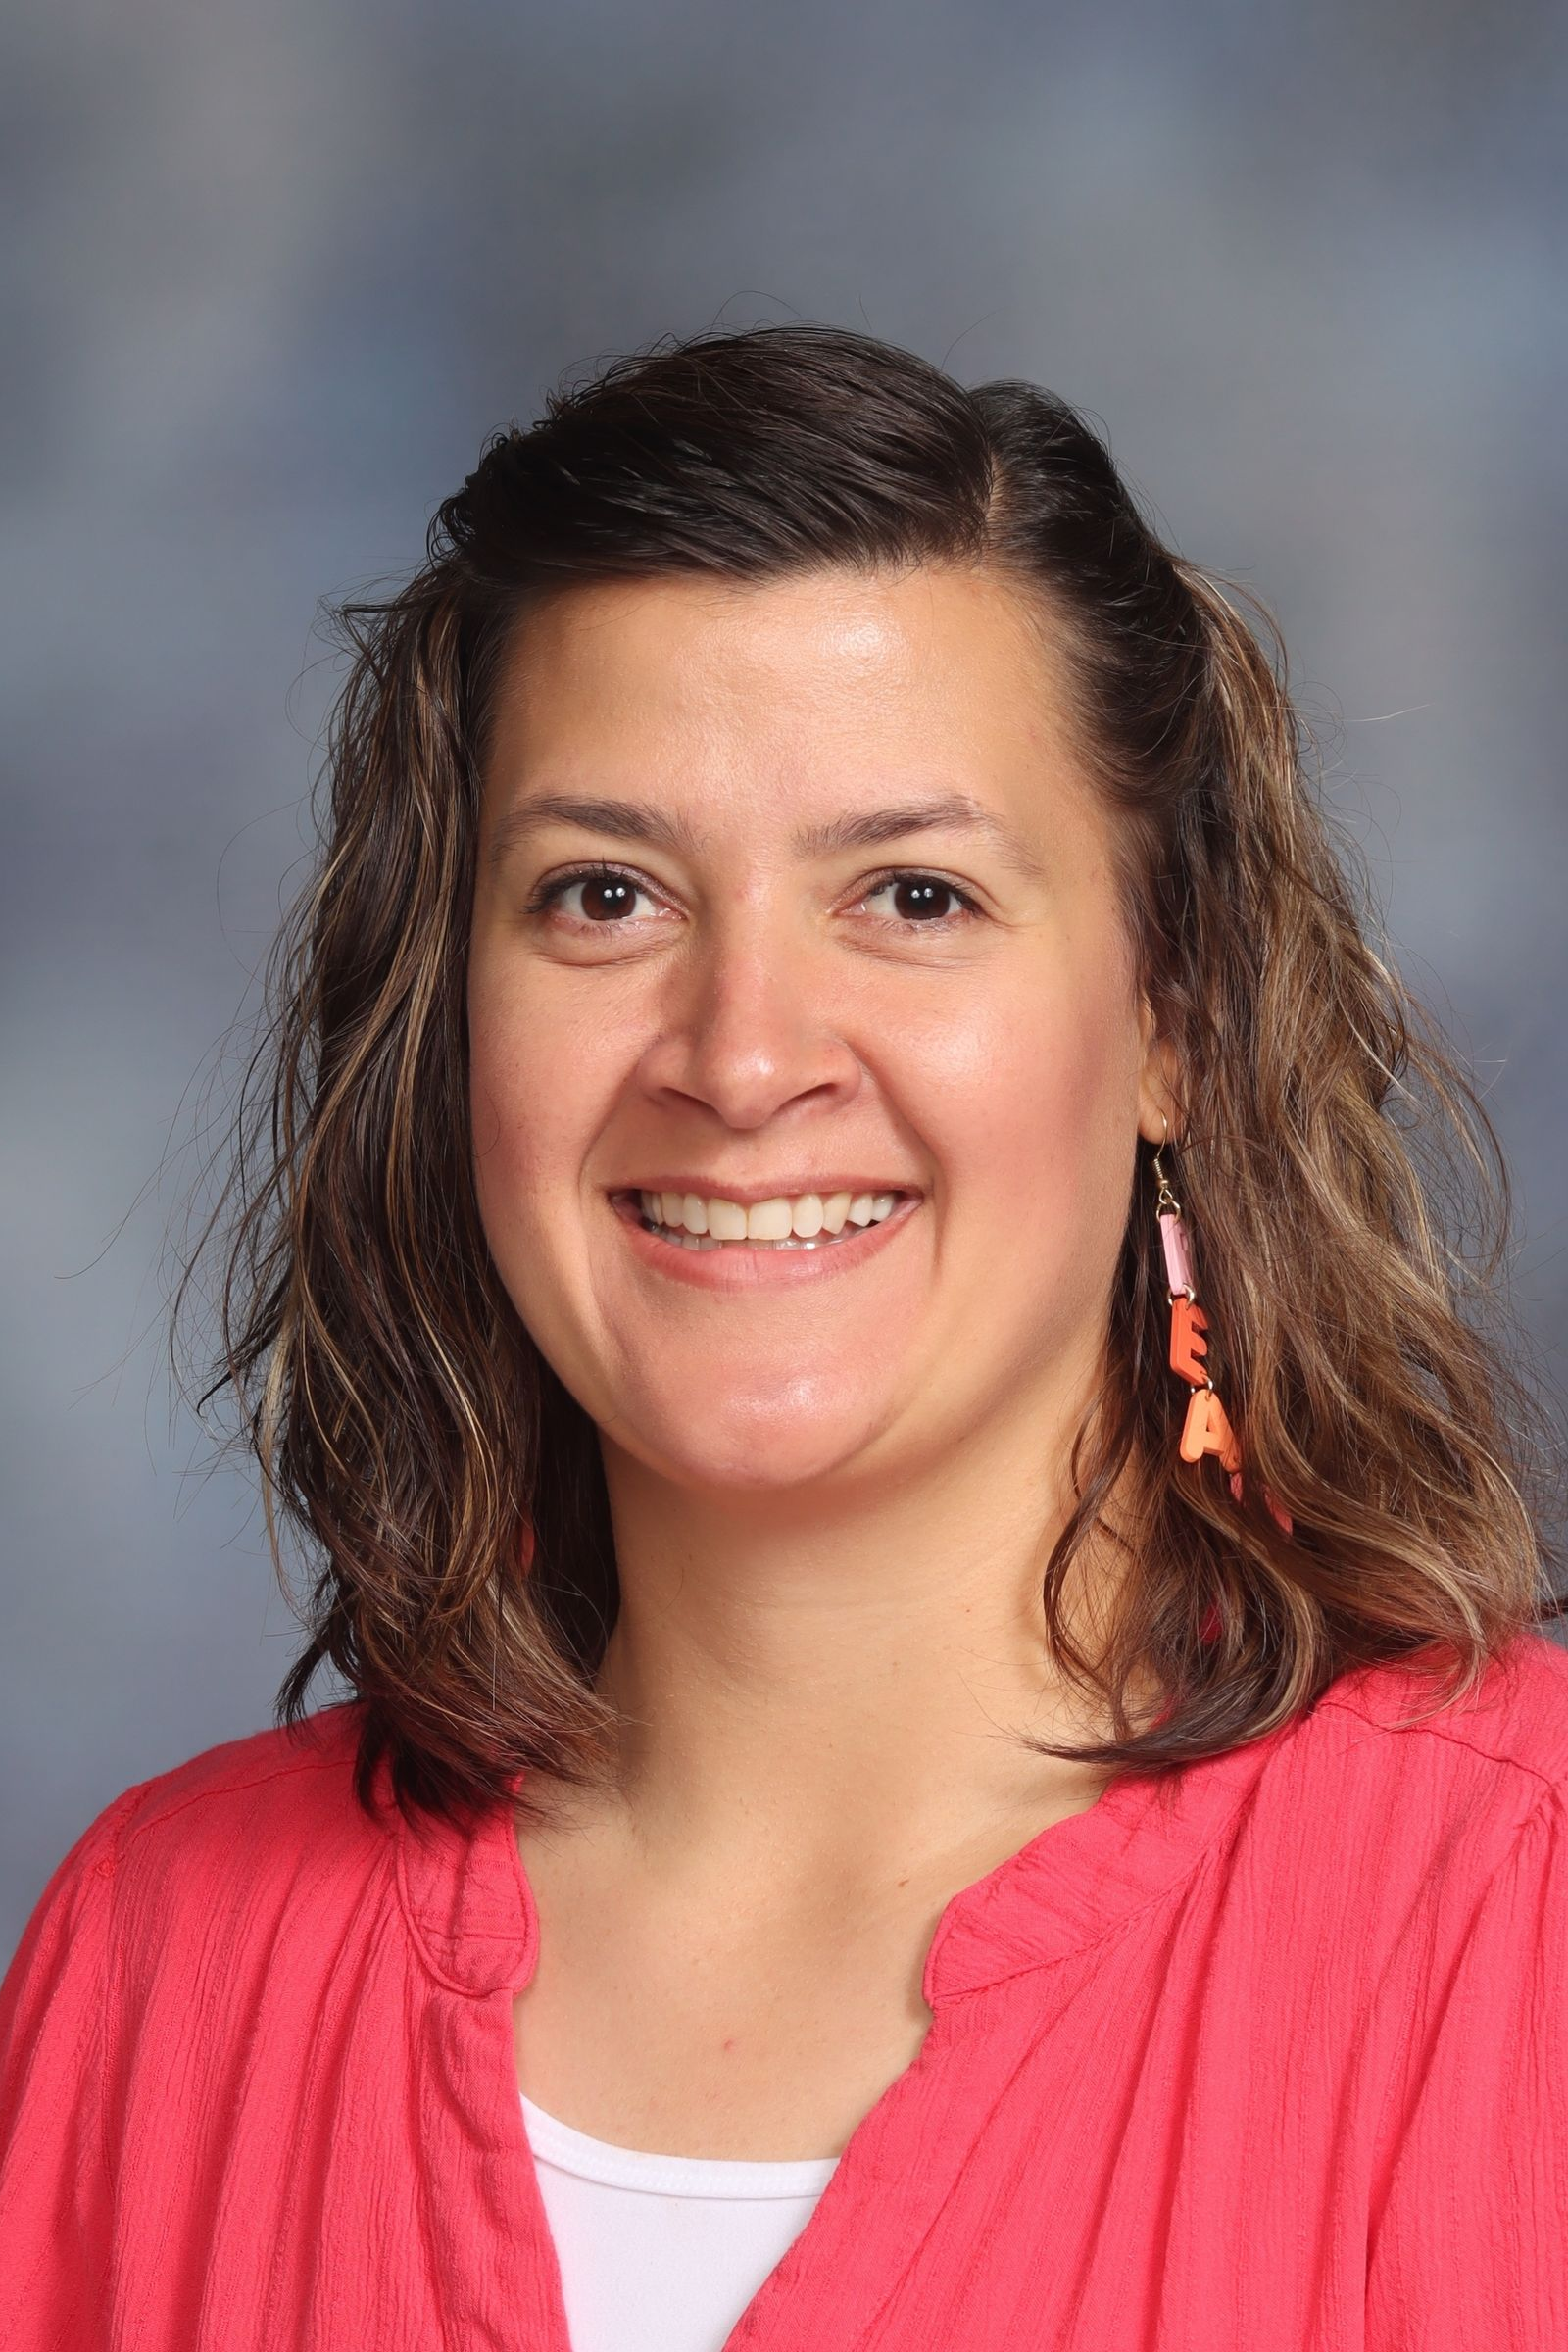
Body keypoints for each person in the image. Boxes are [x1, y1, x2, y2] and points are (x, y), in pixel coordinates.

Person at [2, 321, 1565, 2350]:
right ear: (449, 1014)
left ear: (1171, 1014)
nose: (740, 1059)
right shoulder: (164, 1968)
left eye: (911, 896)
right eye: (600, 898)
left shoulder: (1515, 1922)